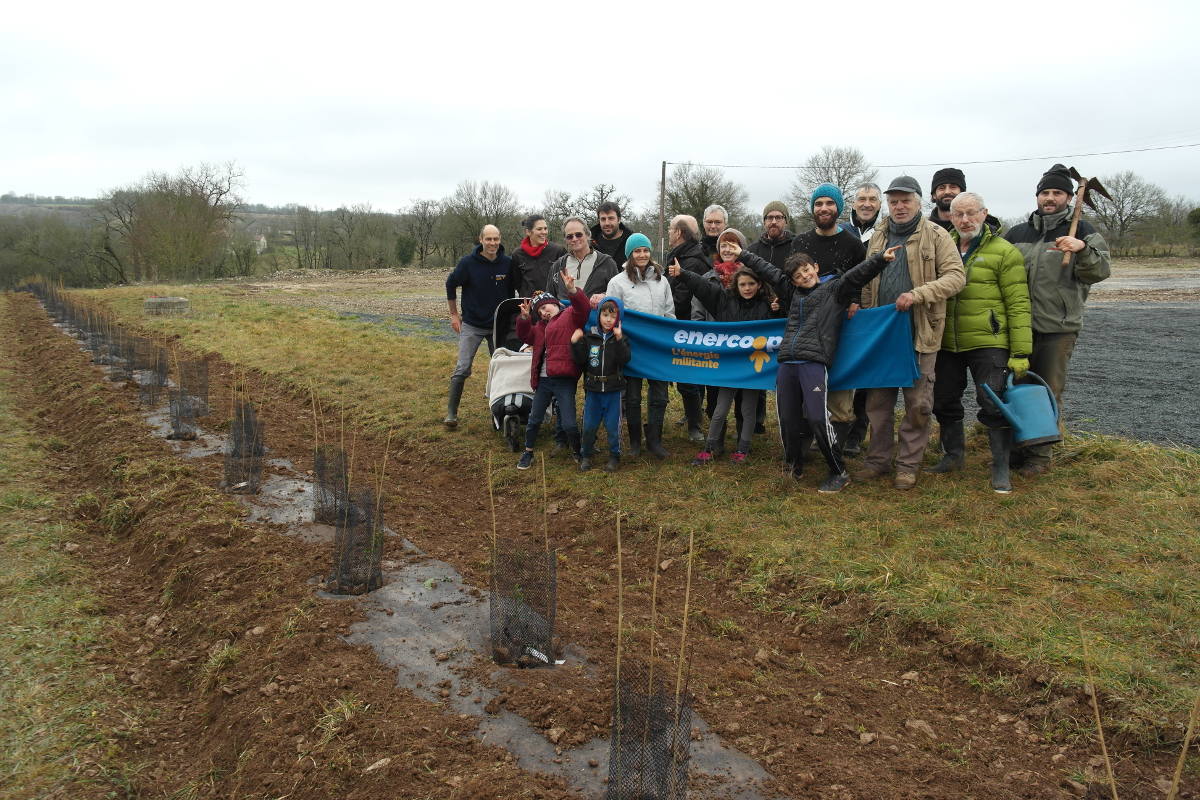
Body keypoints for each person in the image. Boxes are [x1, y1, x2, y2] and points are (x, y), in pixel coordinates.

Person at [737, 244, 901, 492]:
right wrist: (742, 254)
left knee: (817, 416)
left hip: (814, 362)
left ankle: (838, 470)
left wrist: (880, 259)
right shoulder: (791, 293)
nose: (804, 276)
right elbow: (768, 270)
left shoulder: (834, 290)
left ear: (815, 268)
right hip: (787, 362)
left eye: (806, 270)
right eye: (797, 276)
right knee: (787, 417)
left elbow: (856, 275)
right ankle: (793, 465)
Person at [856, 176, 966, 490]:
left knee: (918, 403)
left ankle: (907, 465)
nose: (899, 206)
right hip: (883, 335)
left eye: (905, 200)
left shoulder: (936, 235)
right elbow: (867, 282)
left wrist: (918, 294)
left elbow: (956, 277)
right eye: (894, 201)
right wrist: (863, 314)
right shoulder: (878, 235)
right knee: (878, 403)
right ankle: (877, 461)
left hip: (921, 333)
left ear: (919, 202)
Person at [1002, 163, 1111, 477]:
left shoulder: (1084, 232)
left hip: (1058, 327)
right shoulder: (1018, 233)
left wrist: (1082, 250)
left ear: (1068, 196)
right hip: (1018, 326)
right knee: (1015, 387)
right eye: (1045, 192)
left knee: (1047, 390)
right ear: (1037, 196)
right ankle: (1013, 448)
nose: (1050, 198)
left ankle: (1039, 455)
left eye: (1058, 192)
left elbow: (1100, 271)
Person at [930, 192, 1031, 493]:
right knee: (944, 399)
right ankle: (953, 455)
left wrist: (1021, 350)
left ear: (984, 214)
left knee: (993, 401)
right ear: (950, 216)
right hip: (947, 340)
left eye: (971, 213)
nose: (965, 220)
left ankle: (1000, 465)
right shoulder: (941, 247)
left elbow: (1018, 303)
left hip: (989, 340)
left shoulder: (1004, 252)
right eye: (958, 214)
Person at [670, 232, 775, 465]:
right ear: (736, 286)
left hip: (752, 367)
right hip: (728, 367)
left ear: (758, 286)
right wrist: (683, 274)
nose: (747, 288)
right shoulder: (725, 301)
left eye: (751, 284)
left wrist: (777, 309)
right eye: (743, 284)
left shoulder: (766, 307)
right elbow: (703, 287)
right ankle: (710, 447)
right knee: (720, 408)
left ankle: (743, 448)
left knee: (748, 410)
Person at [791, 183, 868, 453]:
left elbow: (860, 279)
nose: (824, 208)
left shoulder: (853, 244)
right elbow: (792, 280)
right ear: (812, 209)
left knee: (840, 386)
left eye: (829, 203)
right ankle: (808, 440)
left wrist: (856, 300)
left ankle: (837, 446)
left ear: (839, 208)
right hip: (809, 328)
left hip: (841, 326)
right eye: (819, 204)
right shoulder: (800, 242)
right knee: (808, 387)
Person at [605, 233, 675, 459]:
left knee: (660, 396)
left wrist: (668, 340)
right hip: (631, 349)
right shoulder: (617, 283)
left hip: (657, 348)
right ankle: (635, 441)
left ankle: (654, 440)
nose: (642, 255)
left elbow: (669, 313)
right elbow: (610, 316)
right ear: (630, 255)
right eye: (637, 251)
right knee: (632, 397)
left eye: (645, 250)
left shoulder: (661, 280)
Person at [515, 271, 591, 470]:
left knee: (569, 423)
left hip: (564, 380)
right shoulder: (540, 327)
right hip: (543, 381)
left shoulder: (570, 316)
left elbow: (583, 308)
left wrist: (573, 290)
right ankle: (528, 452)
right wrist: (524, 318)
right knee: (534, 419)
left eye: (545, 308)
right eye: (539, 312)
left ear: (555, 303)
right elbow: (525, 336)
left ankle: (577, 451)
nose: (544, 313)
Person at [443, 224, 514, 428]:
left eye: (496, 239)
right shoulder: (467, 263)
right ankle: (451, 413)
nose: (492, 243)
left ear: (500, 240)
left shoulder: (507, 263)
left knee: (502, 368)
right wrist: (454, 315)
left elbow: (513, 293)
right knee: (462, 368)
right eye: (488, 239)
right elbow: (450, 284)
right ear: (481, 240)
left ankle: (501, 412)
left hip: (498, 326)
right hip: (472, 325)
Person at [663, 214, 709, 444]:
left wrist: (662, 308)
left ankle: (695, 425)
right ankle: (694, 414)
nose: (668, 232)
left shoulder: (692, 261)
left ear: (679, 233)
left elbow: (682, 298)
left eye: (671, 229)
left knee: (687, 377)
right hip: (676, 323)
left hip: (686, 326)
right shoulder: (678, 256)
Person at [571, 297, 631, 472]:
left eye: (612, 317)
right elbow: (580, 359)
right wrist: (575, 343)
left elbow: (625, 359)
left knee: (613, 426)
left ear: (618, 320)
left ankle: (614, 456)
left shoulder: (622, 338)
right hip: (593, 390)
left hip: (613, 391)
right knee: (589, 425)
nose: (608, 320)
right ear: (599, 315)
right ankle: (586, 455)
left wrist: (619, 340)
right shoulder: (590, 336)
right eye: (605, 315)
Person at [547, 216, 620, 307]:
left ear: (588, 234)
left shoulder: (607, 263)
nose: (574, 239)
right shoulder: (558, 266)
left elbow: (618, 294)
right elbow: (549, 298)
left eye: (578, 234)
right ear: (565, 240)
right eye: (569, 236)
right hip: (565, 319)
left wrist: (604, 296)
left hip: (594, 319)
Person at [928, 168, 1001, 233]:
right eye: (941, 188)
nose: (947, 191)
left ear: (962, 193)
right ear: (934, 195)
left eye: (953, 187)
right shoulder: (923, 229)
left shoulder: (984, 229)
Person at [512, 214, 566, 297]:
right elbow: (517, 283)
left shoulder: (558, 251)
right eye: (539, 229)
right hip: (528, 305)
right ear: (528, 232)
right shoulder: (517, 254)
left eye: (545, 228)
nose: (544, 232)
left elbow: (564, 280)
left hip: (552, 305)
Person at [748, 201, 795, 270]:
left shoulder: (796, 246)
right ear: (764, 222)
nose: (774, 222)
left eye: (778, 217)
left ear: (786, 222)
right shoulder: (752, 251)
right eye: (770, 217)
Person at [590, 201, 633, 268]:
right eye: (603, 219)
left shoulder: (631, 241)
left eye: (611, 218)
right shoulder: (589, 242)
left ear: (618, 220)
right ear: (599, 221)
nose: (607, 223)